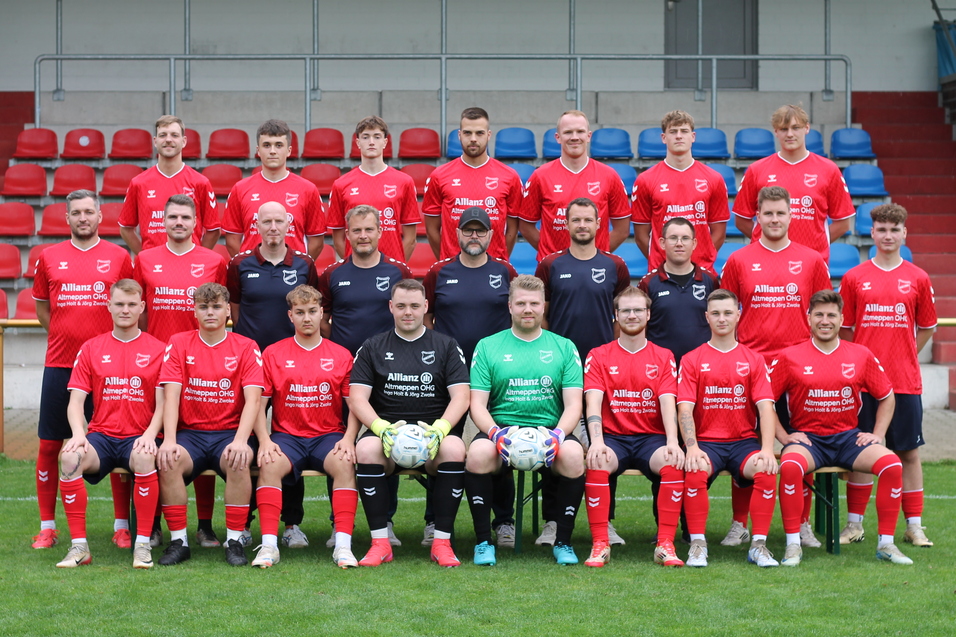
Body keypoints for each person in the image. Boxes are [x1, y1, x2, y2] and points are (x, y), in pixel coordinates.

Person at [719, 185, 832, 549]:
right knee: (747, 447)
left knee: (800, 445)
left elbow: (821, 313)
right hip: (751, 367)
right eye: (767, 213)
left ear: (791, 215)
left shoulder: (812, 260)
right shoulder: (739, 260)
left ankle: (800, 525)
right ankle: (740, 524)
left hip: (800, 368)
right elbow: (728, 312)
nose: (774, 219)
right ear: (757, 218)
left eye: (780, 213)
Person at [771, 290, 912, 566]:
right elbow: (765, 402)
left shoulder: (860, 354)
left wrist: (878, 435)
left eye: (831, 315)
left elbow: (887, 396)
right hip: (809, 441)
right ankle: (792, 545)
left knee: (893, 465)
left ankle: (886, 544)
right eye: (819, 315)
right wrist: (784, 436)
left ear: (841, 319)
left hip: (848, 439)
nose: (825, 320)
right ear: (808, 318)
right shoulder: (789, 356)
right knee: (789, 467)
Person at [31, 190, 134, 550]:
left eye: (89, 211)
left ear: (100, 215)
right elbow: (45, 310)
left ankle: (122, 526)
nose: (83, 218)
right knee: (49, 444)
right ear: (67, 217)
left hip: (109, 369)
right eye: (76, 213)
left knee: (119, 441)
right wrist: (67, 338)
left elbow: (128, 306)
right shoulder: (49, 257)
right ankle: (48, 526)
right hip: (60, 364)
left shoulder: (119, 257)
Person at [465, 275, 585, 566]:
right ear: (509, 306)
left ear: (543, 306)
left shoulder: (564, 347)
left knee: (573, 454)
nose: (527, 309)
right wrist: (495, 434)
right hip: (502, 432)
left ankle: (563, 542)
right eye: (520, 303)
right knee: (477, 454)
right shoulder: (488, 346)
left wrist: (557, 436)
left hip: (550, 431)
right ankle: (483, 542)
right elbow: (477, 405)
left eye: (533, 303)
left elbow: (573, 405)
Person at [349, 279, 470, 567]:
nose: (408, 312)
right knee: (365, 450)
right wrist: (379, 427)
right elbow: (357, 398)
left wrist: (442, 429)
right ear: (391, 307)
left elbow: (462, 397)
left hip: (432, 438)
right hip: (387, 435)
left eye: (415, 306)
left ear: (426, 307)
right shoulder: (372, 346)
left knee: (455, 449)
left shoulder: (446, 345)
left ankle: (442, 542)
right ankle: (380, 543)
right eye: (401, 306)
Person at [838, 203, 937, 547]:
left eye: (894, 230)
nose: (888, 236)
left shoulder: (918, 277)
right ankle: (854, 525)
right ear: (872, 233)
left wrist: (905, 348)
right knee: (862, 452)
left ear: (904, 234)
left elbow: (925, 327)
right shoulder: (854, 277)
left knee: (909, 452)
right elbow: (846, 330)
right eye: (881, 230)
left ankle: (914, 525)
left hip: (905, 380)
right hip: (863, 384)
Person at [133, 194, 228, 547]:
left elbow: (217, 308)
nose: (178, 222)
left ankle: (204, 525)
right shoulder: (144, 259)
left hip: (200, 360)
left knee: (200, 434)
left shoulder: (212, 260)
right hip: (156, 363)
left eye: (185, 217)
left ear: (196, 223)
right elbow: (140, 312)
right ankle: (151, 525)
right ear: (162, 221)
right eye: (171, 216)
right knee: (155, 440)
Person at [533, 196, 629, 546]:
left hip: (602, 370)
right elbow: (542, 316)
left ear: (598, 223)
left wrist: (607, 354)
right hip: (559, 369)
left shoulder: (615, 265)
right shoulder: (551, 265)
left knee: (604, 442)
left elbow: (620, 319)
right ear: (566, 224)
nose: (583, 225)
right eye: (576, 220)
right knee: (557, 443)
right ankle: (552, 522)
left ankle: (608, 522)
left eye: (588, 219)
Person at [423, 206, 518, 548]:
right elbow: (428, 318)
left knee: (500, 441)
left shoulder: (505, 271)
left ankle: (504, 521)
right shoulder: (439, 272)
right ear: (457, 234)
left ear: (492, 235)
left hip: (495, 373)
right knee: (440, 441)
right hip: (448, 375)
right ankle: (434, 521)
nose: (474, 236)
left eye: (480, 231)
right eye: (468, 231)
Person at [54, 279, 166, 569]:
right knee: (68, 457)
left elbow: (165, 402)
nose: (125, 310)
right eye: (119, 304)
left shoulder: (158, 349)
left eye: (131, 305)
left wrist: (151, 435)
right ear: (109, 306)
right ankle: (79, 547)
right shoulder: (91, 348)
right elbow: (76, 401)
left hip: (138, 437)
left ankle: (142, 546)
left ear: (142, 307)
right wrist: (79, 434)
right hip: (101, 436)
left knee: (144, 457)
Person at [227, 200, 320, 549]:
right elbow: (236, 310)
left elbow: (309, 303)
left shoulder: (305, 264)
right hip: (251, 364)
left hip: (293, 362)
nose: (272, 227)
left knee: (289, 435)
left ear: (289, 223)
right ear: (256, 224)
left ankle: (292, 523)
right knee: (252, 441)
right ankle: (248, 520)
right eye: (265, 221)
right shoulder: (240, 264)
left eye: (278, 221)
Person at [251, 285, 359, 569]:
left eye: (312, 311)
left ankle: (344, 546)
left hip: (329, 436)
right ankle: (269, 546)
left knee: (345, 463)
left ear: (322, 312)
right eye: (300, 312)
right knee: (270, 464)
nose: (307, 318)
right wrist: (264, 440)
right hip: (287, 437)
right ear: (290, 316)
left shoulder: (341, 354)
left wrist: (349, 438)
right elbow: (258, 405)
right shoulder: (273, 354)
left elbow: (354, 404)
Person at [156, 283, 263, 566]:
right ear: (195, 311)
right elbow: (171, 395)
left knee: (239, 459)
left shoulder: (246, 346)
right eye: (203, 307)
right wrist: (168, 439)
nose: (210, 312)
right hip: (190, 434)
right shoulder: (178, 343)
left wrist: (241, 440)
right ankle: (179, 541)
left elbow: (253, 400)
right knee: (168, 459)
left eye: (216, 306)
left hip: (230, 433)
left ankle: (235, 540)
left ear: (228, 309)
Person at [582, 286, 685, 568]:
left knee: (672, 461)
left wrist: (673, 442)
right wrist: (597, 441)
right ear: (615, 315)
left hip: (650, 439)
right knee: (597, 461)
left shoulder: (663, 356)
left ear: (648, 314)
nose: (632, 315)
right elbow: (593, 403)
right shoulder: (599, 355)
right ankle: (600, 544)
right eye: (625, 310)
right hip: (613, 438)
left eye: (638, 309)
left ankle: (666, 543)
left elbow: (668, 403)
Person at [676, 289, 781, 568]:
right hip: (707, 443)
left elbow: (765, 407)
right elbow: (684, 408)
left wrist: (768, 450)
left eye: (727, 313)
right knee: (696, 468)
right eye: (716, 313)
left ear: (738, 315)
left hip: (743, 443)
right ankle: (698, 545)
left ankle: (758, 545)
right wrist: (692, 447)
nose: (722, 319)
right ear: (707, 317)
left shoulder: (754, 359)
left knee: (766, 469)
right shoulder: (692, 359)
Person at [733, 104, 855, 262]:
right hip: (766, 261)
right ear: (776, 132)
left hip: (812, 263)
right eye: (783, 129)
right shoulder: (757, 170)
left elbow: (843, 223)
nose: (789, 134)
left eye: (796, 127)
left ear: (807, 128)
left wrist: (814, 246)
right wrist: (771, 242)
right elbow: (741, 220)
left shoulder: (828, 170)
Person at [518, 110, 632, 262]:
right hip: (553, 268)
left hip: (596, 267)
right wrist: (551, 254)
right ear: (558, 137)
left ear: (589, 136)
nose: (574, 137)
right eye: (568, 132)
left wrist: (596, 255)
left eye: (580, 131)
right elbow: (525, 227)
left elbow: (622, 230)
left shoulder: (609, 176)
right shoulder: (540, 176)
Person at [632, 110, 729, 273]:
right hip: (661, 271)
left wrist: (701, 261)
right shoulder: (645, 179)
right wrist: (664, 264)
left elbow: (719, 232)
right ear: (664, 138)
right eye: (673, 131)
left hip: (702, 270)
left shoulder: (714, 178)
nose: (678, 136)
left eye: (684, 131)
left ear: (693, 136)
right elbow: (641, 235)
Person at [422, 107, 522, 260]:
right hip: (453, 268)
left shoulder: (509, 176)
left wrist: (498, 261)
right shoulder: (439, 175)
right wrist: (447, 261)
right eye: (468, 133)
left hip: (494, 269)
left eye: (479, 133)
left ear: (489, 135)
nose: (473, 138)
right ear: (459, 135)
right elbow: (431, 229)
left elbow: (512, 229)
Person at [222, 119, 326, 259]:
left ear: (289, 150)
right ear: (258, 151)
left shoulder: (308, 189)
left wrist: (299, 266)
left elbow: (317, 241)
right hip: (253, 273)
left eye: (278, 145)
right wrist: (249, 266)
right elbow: (232, 240)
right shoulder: (240, 189)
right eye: (266, 145)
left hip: (292, 274)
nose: (272, 151)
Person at [317, 205, 413, 356]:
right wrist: (339, 347)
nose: (363, 236)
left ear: (379, 232)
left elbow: (412, 317)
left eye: (369, 229)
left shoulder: (399, 272)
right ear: (347, 234)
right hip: (345, 361)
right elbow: (321, 321)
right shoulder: (331, 274)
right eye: (357, 230)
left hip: (388, 360)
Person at [118, 115, 220, 255]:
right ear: (155, 141)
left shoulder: (200, 182)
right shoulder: (139, 183)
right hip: (152, 269)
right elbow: (125, 228)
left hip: (189, 266)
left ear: (183, 141)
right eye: (163, 135)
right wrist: (144, 257)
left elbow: (213, 230)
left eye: (174, 135)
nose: (168, 140)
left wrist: (198, 257)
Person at [327, 116, 419, 262]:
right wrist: (353, 262)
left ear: (385, 142)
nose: (371, 142)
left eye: (377, 137)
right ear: (358, 142)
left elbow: (410, 238)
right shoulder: (341, 184)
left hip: (392, 268)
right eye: (365, 137)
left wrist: (396, 265)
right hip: (356, 269)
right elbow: (338, 238)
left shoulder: (404, 181)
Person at [638, 217, 720, 366]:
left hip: (702, 366)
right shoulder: (648, 283)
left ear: (694, 243)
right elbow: (640, 329)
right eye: (673, 238)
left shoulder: (710, 281)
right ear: (662, 243)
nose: (679, 244)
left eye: (685, 238)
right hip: (660, 368)